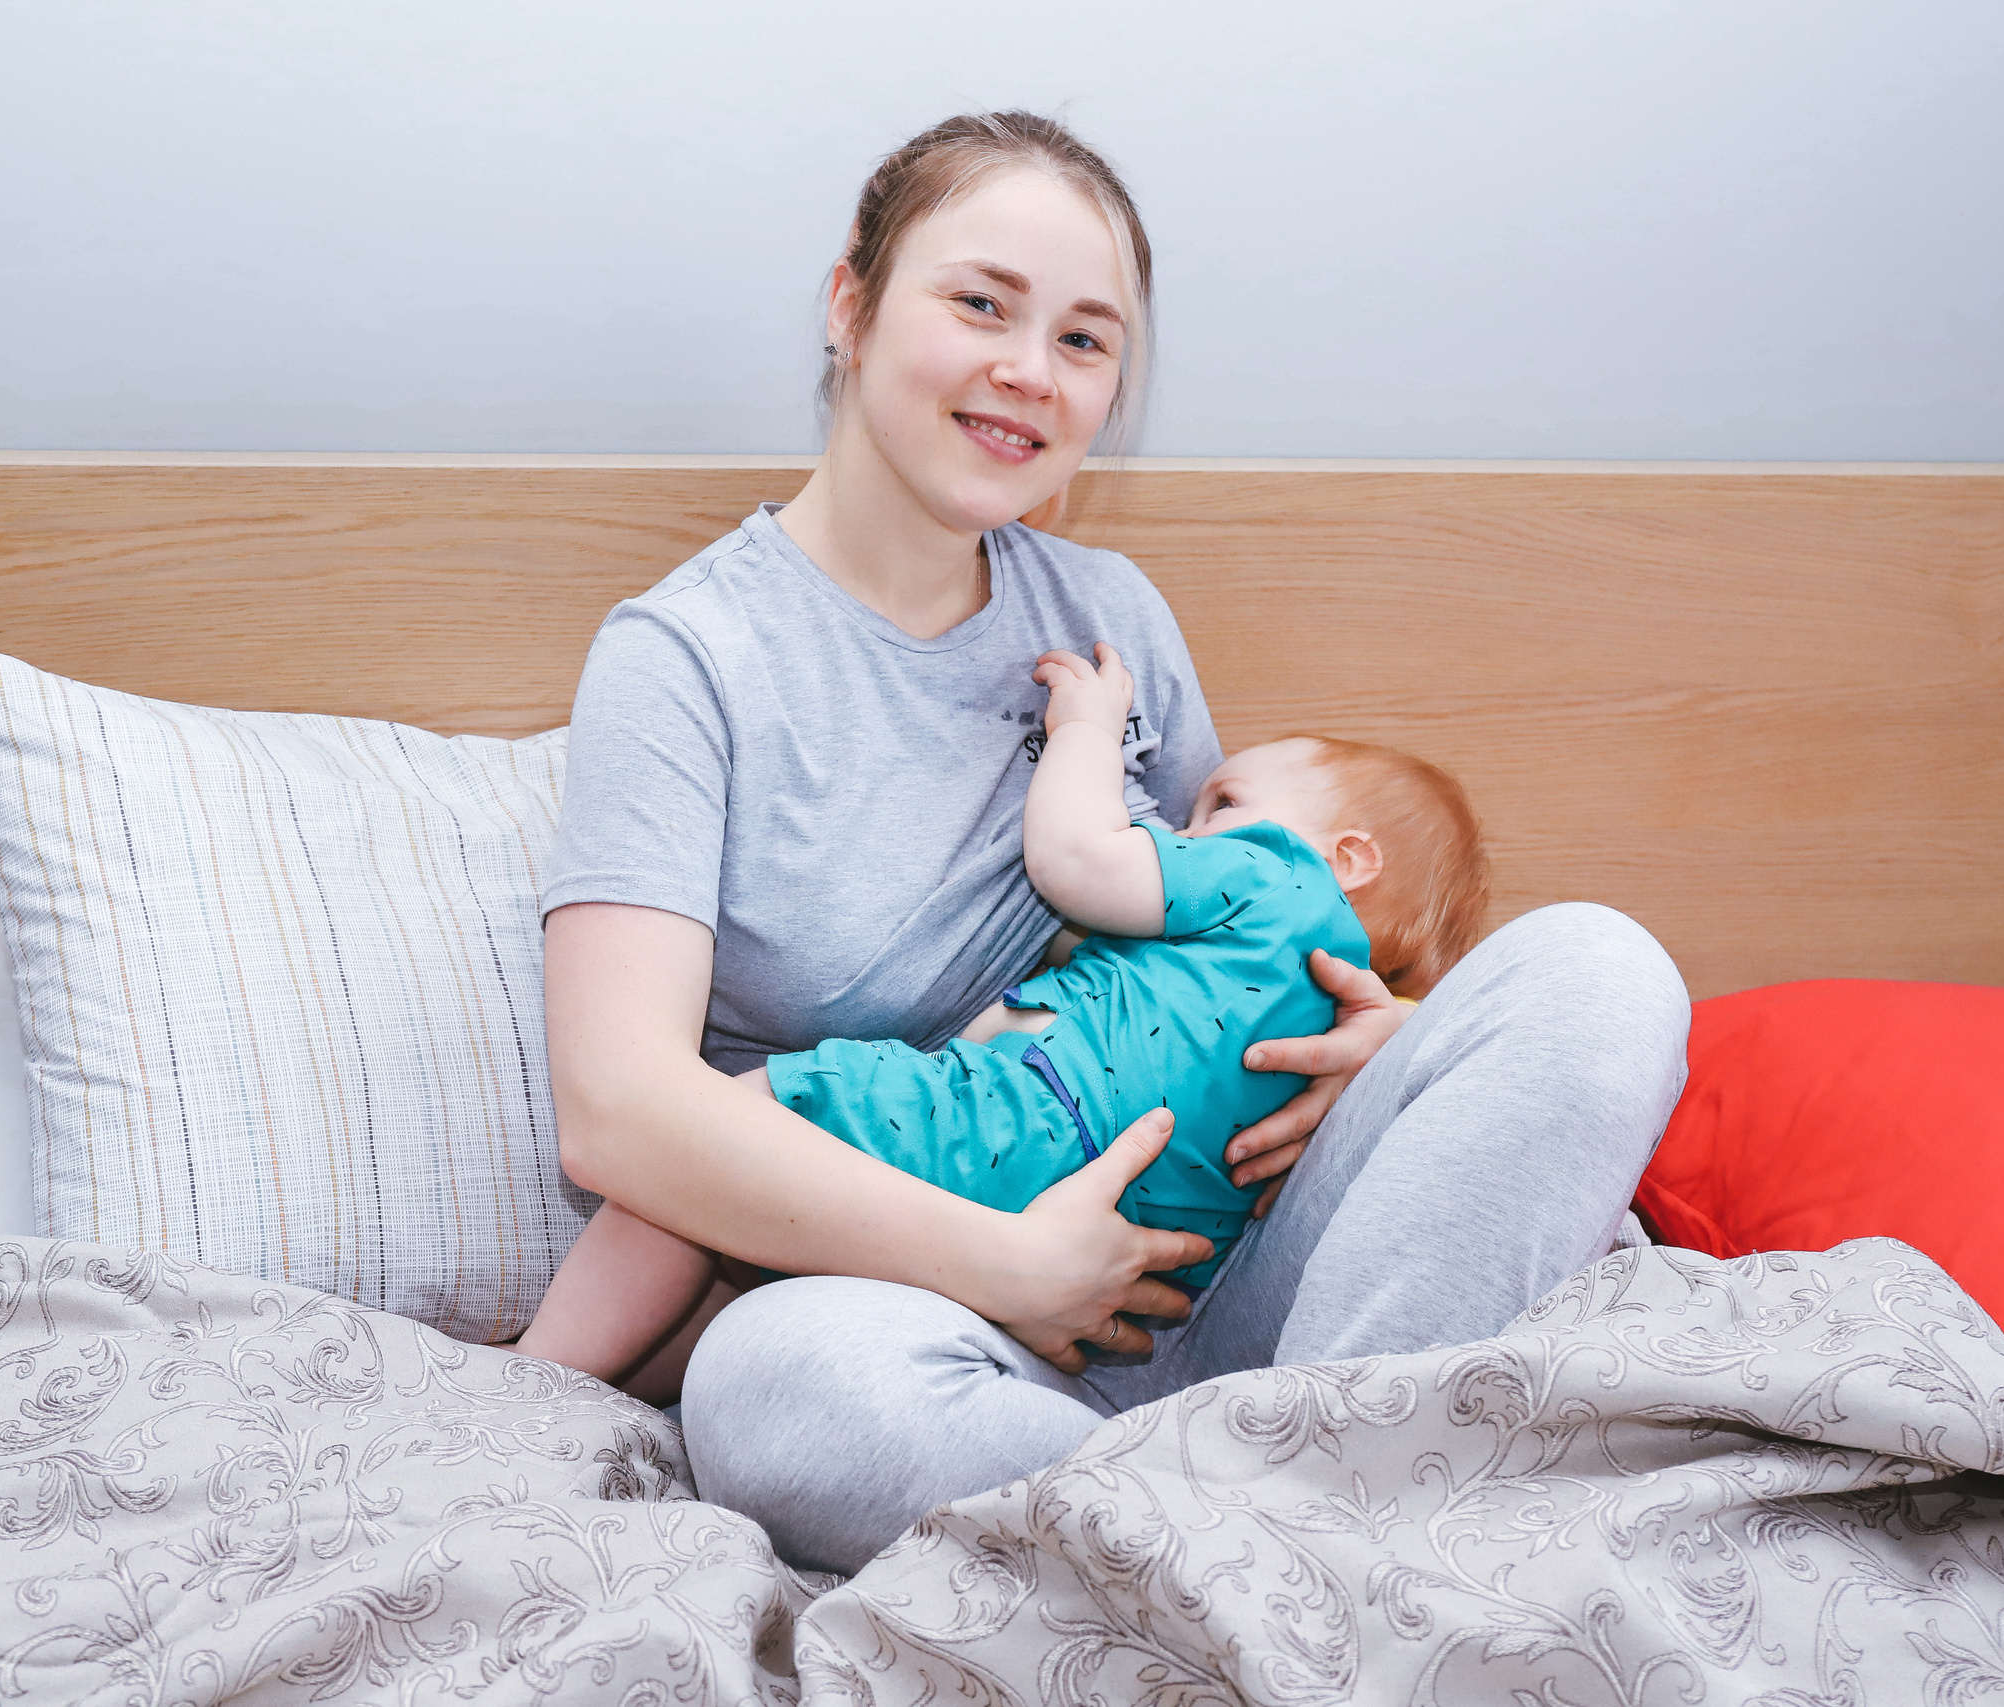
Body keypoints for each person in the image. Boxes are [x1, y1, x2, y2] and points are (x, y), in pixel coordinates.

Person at [534, 110, 1691, 1574]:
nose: (1033, 368)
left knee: (1604, 967)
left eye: (1086, 341)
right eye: (982, 303)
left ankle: (1288, 1514)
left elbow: (1240, 934)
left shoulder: (1110, 616)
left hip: (1242, 1285)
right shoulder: (688, 657)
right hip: (942, 1318)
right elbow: (618, 1110)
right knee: (771, 1387)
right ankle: (1314, 1547)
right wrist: (1012, 1266)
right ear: (850, 303)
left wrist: (1376, 1038)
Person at [519, 635, 1490, 1376]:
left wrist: (1084, 736)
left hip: (1011, 1128)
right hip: (1141, 1265)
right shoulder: (1312, 1006)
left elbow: (1075, 861)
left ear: (1346, 856)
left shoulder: (1270, 872)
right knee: (748, 1296)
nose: (1190, 828)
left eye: (1220, 803)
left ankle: (535, 1382)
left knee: (716, 1139)